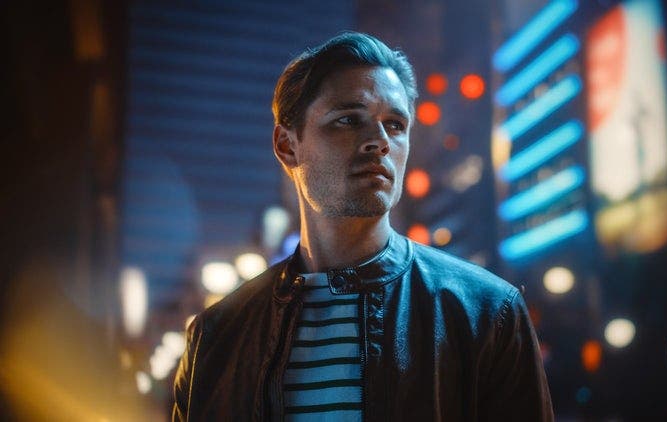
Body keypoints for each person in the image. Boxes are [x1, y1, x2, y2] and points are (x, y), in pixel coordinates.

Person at [173, 31, 553, 421]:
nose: (379, 141)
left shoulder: (487, 314)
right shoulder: (216, 339)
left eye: (395, 124)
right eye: (348, 120)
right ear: (288, 146)